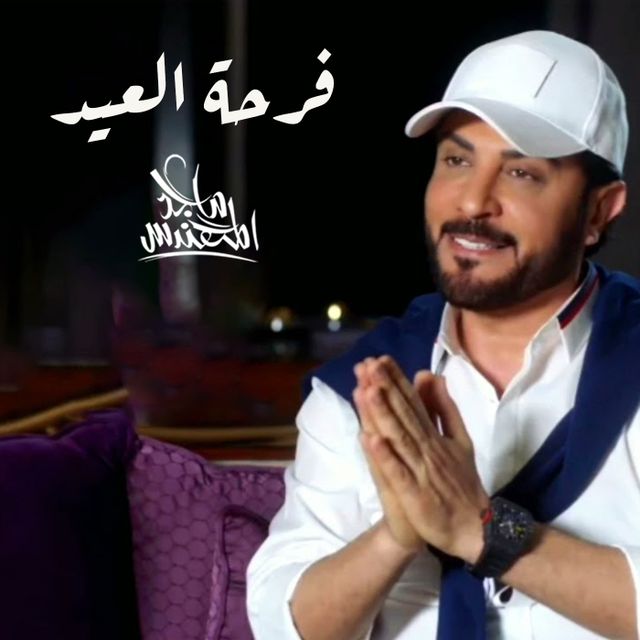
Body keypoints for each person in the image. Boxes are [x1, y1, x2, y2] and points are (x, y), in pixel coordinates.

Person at [246, 30, 640, 640]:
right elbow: (284, 624)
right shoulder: (364, 384)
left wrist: (484, 531)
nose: (474, 203)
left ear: (598, 211)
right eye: (457, 161)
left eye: (522, 173)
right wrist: (395, 537)